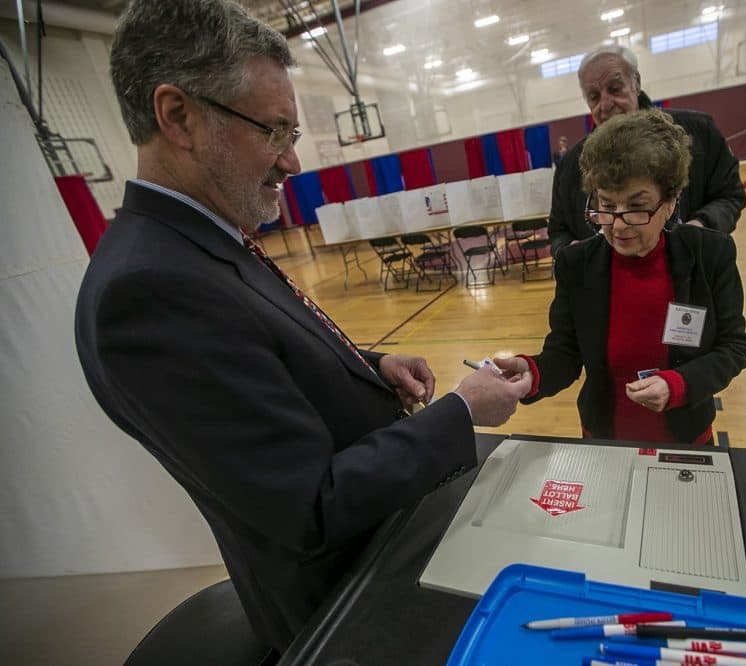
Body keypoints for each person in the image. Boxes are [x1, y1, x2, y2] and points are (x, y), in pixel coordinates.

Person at [74, 0, 530, 655]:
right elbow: (308, 506)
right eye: (275, 131)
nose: (292, 162)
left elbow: (259, 359)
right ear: (179, 117)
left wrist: (367, 366)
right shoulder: (146, 291)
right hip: (346, 599)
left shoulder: (196, 242)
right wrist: (462, 411)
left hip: (381, 538)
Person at [494, 110, 746, 445]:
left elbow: (734, 346)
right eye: (606, 205)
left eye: (636, 207)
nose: (617, 225)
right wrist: (533, 372)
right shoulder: (577, 264)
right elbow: (566, 351)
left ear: (672, 200)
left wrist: (678, 384)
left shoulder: (710, 254)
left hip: (686, 437)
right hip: (604, 436)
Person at [548, 45, 746, 258]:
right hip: (607, 287)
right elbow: (559, 231)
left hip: (692, 276)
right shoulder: (570, 166)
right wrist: (571, 251)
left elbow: (730, 196)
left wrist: (700, 226)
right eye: (594, 97)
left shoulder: (698, 133)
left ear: (636, 83)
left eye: (615, 89)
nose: (605, 105)